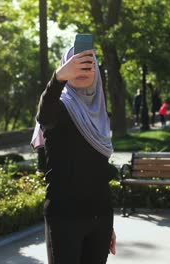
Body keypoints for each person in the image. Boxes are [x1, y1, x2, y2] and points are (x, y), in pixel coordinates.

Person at [31, 47, 117, 264]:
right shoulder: (59, 107)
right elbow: (45, 116)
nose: (82, 69)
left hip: (101, 217)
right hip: (65, 219)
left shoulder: (100, 113)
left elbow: (99, 171)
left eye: (89, 64)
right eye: (75, 64)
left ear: (96, 71)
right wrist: (58, 78)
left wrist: (108, 226)